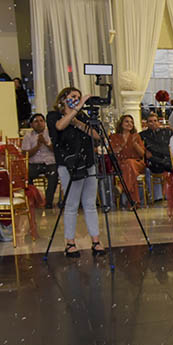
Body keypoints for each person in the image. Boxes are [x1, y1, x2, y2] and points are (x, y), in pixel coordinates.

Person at [46, 87, 105, 258]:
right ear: (63, 99)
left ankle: (96, 240)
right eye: (73, 97)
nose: (77, 100)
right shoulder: (53, 116)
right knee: (71, 205)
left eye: (79, 97)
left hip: (88, 163)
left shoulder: (82, 117)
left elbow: (96, 135)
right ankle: (70, 242)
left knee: (90, 203)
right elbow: (60, 126)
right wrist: (76, 109)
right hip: (68, 165)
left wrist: (79, 122)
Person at [109, 114, 147, 208]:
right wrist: (122, 145)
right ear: (121, 124)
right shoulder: (114, 137)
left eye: (131, 122)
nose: (129, 124)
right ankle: (133, 203)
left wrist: (135, 144)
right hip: (121, 164)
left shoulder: (136, 136)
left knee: (130, 164)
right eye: (127, 121)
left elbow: (142, 154)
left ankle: (121, 187)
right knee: (129, 169)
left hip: (137, 163)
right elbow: (112, 151)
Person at [21, 113, 58, 208]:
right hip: (34, 164)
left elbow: (56, 150)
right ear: (31, 125)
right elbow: (25, 154)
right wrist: (37, 146)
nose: (39, 123)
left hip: (50, 163)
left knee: (53, 175)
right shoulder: (28, 136)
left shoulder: (51, 133)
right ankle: (35, 200)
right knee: (26, 176)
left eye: (41, 121)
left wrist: (45, 143)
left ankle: (48, 202)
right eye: (36, 121)